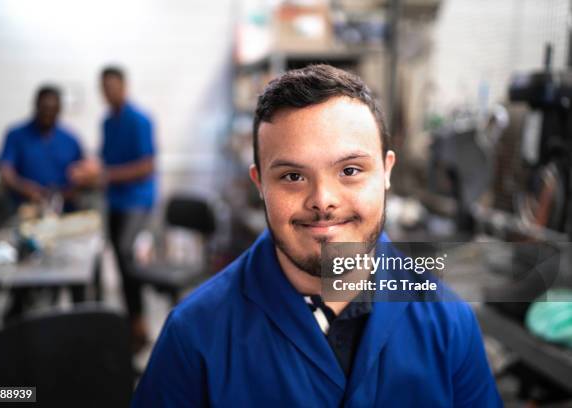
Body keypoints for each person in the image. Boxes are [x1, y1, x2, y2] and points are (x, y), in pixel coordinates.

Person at [132, 65, 502, 407]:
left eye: (351, 170)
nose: (323, 201)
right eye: (293, 176)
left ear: (387, 172)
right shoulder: (194, 336)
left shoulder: (449, 322)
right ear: (260, 184)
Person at [70, 66, 156, 352]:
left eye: (113, 86)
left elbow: (147, 166)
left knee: (127, 256)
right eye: (104, 87)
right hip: (116, 200)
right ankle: (123, 321)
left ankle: (139, 323)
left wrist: (105, 176)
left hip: (137, 201)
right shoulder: (107, 121)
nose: (108, 92)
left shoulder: (139, 120)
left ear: (124, 86)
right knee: (115, 259)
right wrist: (87, 169)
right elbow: (104, 159)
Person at [0, 85, 83, 212]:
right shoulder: (16, 135)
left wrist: (67, 193)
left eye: (53, 109)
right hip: (25, 210)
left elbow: (83, 173)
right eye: (45, 108)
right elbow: (6, 172)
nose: (48, 114)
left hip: (63, 210)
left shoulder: (70, 139)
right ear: (36, 106)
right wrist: (25, 188)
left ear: (59, 109)